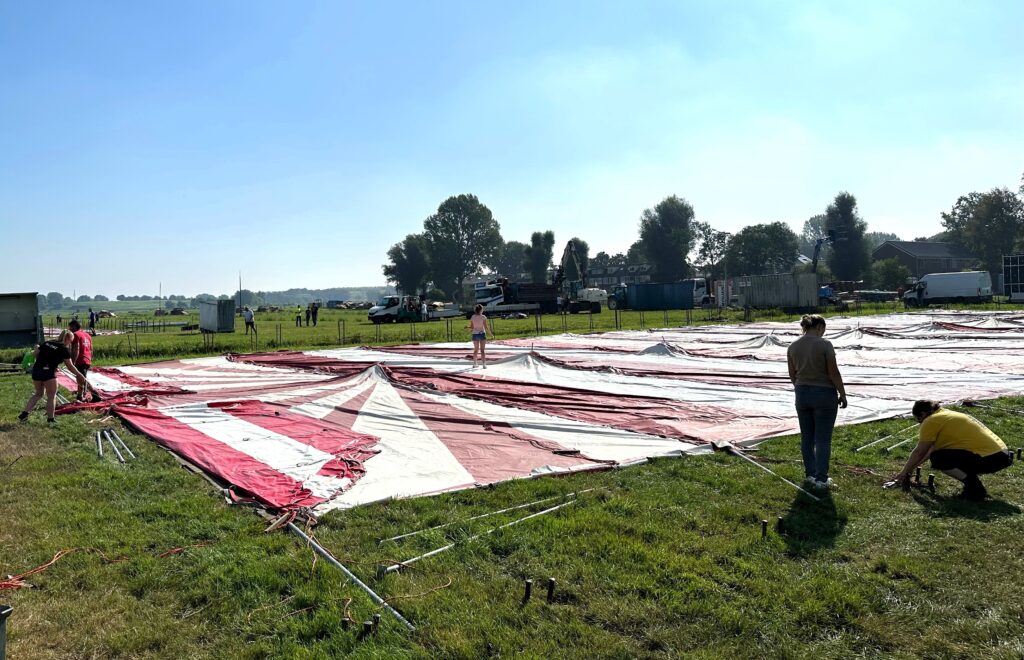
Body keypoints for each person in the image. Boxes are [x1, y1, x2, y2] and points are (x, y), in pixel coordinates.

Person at [891, 400, 1012, 500]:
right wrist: (908, 471)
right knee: (941, 456)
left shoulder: (931, 420)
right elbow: (929, 450)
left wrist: (903, 473)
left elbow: (919, 452)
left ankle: (975, 489)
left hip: (989, 458)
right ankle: (973, 487)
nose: (919, 423)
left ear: (922, 414)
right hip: (1001, 455)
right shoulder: (946, 414)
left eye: (918, 419)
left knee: (939, 459)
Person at [787, 314, 848, 489]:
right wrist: (842, 393)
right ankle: (822, 479)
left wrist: (801, 388)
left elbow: (792, 374)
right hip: (824, 393)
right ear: (820, 327)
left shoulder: (793, 346)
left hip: (802, 393)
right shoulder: (825, 345)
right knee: (822, 439)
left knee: (807, 437)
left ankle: (810, 474)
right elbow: (833, 372)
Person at [18, 330, 87, 424]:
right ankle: (51, 419)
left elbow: (35, 354)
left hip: (36, 371)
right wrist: (79, 374)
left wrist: (40, 353)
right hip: (48, 373)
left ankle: (24, 414)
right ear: (67, 339)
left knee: (38, 394)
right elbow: (70, 366)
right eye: (70, 341)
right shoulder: (64, 349)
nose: (70, 343)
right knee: (51, 396)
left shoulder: (48, 342)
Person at [67, 319, 93, 401]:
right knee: (82, 377)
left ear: (74, 326)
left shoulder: (75, 335)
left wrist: (72, 361)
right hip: (87, 359)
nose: (69, 329)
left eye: (70, 327)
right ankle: (82, 393)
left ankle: (83, 395)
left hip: (80, 359)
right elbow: (91, 348)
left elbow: (76, 349)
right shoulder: (87, 335)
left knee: (80, 378)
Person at [465, 304, 492, 368]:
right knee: (482, 350)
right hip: (482, 334)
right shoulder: (483, 317)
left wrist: (467, 327)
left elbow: (472, 327)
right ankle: (484, 364)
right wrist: (490, 333)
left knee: (476, 350)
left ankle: (475, 363)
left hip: (475, 334)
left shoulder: (473, 317)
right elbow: (485, 327)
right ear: (481, 310)